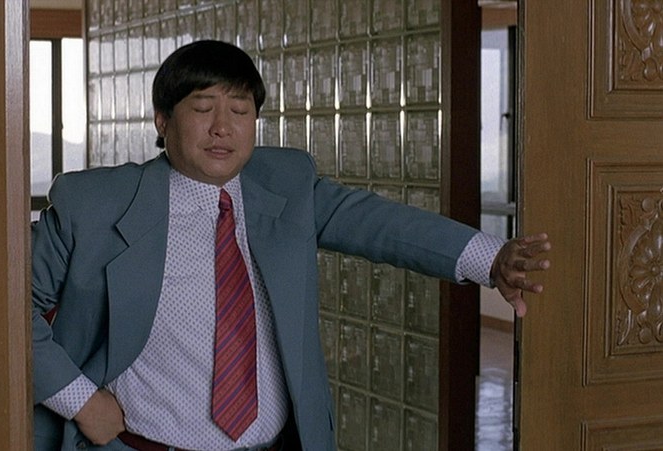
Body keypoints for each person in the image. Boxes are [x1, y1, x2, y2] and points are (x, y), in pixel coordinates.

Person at [31, 40, 551, 451]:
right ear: (163, 120)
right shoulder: (94, 204)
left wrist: (491, 258)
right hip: (138, 444)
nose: (222, 128)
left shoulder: (285, 184)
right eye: (203, 107)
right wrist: (81, 402)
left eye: (240, 110)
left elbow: (381, 224)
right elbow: (9, 306)